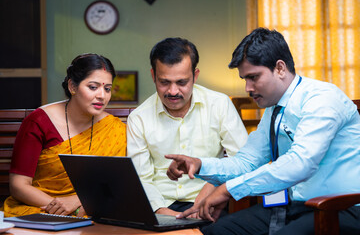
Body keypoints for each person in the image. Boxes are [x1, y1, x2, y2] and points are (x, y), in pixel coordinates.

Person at [166, 28, 360, 235]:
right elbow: (246, 162)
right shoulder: (273, 109)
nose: (248, 88)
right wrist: (200, 164)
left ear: (280, 68)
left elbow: (300, 163)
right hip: (294, 205)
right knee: (218, 231)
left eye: (254, 77)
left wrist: (228, 189)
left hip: (340, 208)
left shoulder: (322, 98)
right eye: (244, 79)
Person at [126, 37, 248, 217]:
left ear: (195, 75)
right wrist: (164, 214)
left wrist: (212, 190)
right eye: (164, 82)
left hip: (210, 201)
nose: (173, 91)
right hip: (160, 206)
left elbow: (242, 159)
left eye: (182, 82)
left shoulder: (219, 104)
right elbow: (140, 178)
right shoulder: (139, 118)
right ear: (153, 76)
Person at [2, 53, 127, 217]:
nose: (102, 95)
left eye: (107, 89)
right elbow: (19, 185)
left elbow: (115, 183)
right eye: (93, 87)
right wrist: (64, 209)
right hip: (40, 207)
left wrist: (78, 201)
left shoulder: (114, 129)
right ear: (72, 87)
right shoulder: (39, 122)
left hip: (92, 208)